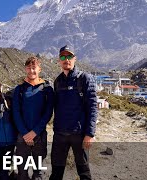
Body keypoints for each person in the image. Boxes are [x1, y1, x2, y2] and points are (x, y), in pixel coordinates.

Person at [49, 45, 98, 180]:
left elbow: (93, 107)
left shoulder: (84, 79)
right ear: (59, 60)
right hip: (60, 135)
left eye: (69, 56)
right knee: (56, 173)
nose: (66, 60)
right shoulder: (58, 81)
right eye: (63, 57)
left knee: (84, 172)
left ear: (75, 59)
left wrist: (90, 133)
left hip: (79, 135)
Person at [12, 56, 54, 180]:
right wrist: (25, 133)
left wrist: (35, 132)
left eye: (34, 68)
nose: (31, 71)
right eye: (29, 68)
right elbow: (16, 112)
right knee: (22, 173)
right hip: (22, 137)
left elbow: (48, 113)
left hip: (39, 136)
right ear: (25, 69)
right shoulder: (19, 89)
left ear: (39, 69)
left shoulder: (47, 89)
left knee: (38, 173)